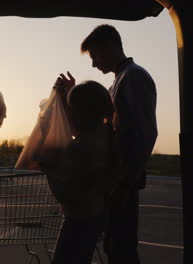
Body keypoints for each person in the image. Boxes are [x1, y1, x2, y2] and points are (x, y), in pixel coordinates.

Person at [56, 24, 158, 264]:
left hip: (120, 182)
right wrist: (73, 95)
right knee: (115, 247)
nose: (93, 64)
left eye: (94, 56)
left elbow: (141, 136)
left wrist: (123, 181)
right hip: (113, 182)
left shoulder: (133, 77)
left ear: (109, 46)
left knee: (122, 250)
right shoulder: (119, 81)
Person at [40, 80, 115, 264]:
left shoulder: (79, 148)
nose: (68, 114)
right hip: (96, 216)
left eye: (71, 109)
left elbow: (64, 194)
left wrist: (48, 167)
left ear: (83, 112)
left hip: (77, 220)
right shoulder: (107, 136)